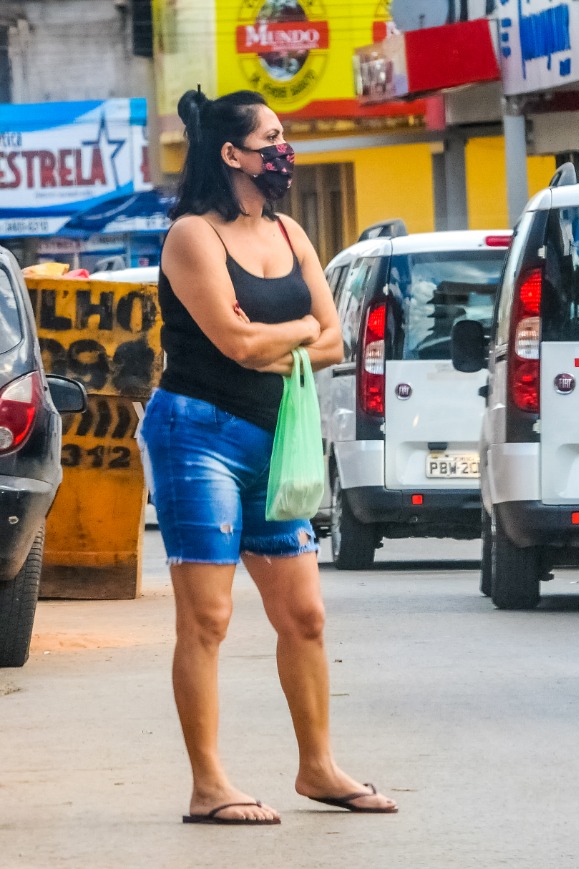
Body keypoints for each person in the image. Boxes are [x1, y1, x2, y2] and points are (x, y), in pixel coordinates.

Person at [139, 88, 398, 825]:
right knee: (209, 619)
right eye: (273, 138)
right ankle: (208, 783)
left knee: (306, 615)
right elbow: (232, 342)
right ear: (233, 154)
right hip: (197, 435)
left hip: (273, 436)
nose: (284, 151)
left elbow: (334, 338)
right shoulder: (192, 236)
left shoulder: (289, 231)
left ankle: (317, 767)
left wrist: (271, 339)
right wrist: (290, 339)